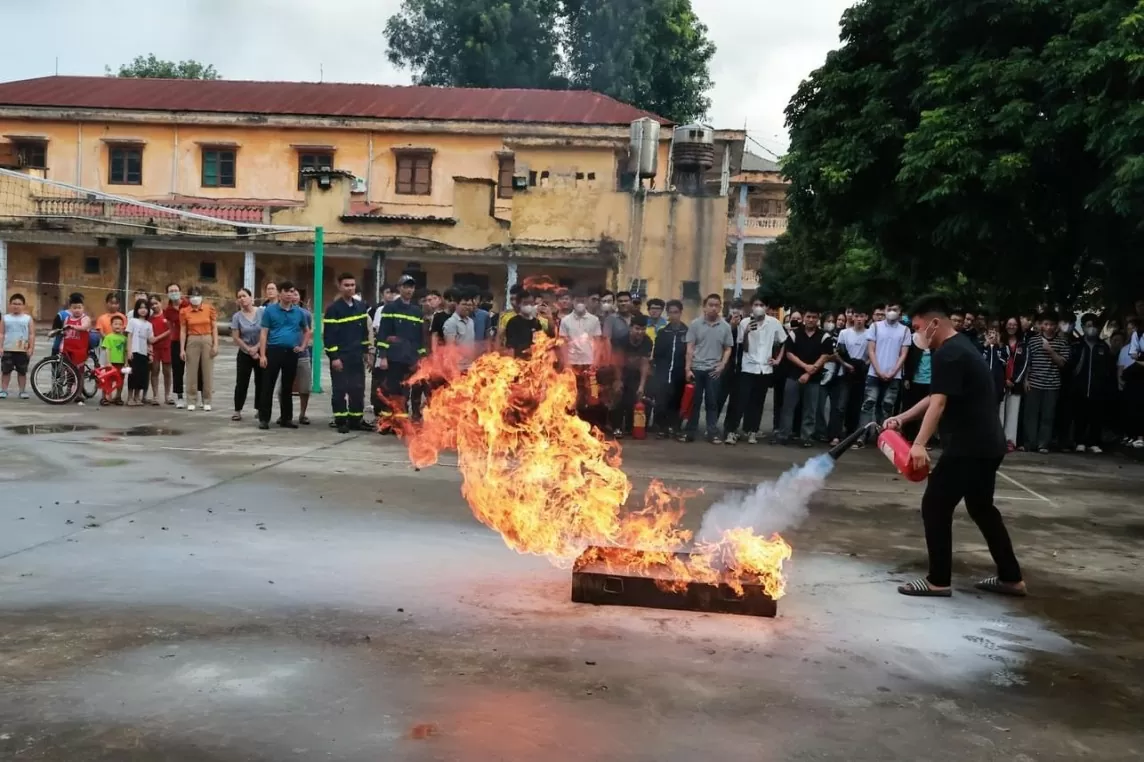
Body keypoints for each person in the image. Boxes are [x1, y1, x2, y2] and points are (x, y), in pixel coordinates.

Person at [885, 295, 1024, 599]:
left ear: (935, 323)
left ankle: (938, 580)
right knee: (982, 508)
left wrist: (919, 444)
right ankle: (1011, 578)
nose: (917, 334)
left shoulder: (948, 354)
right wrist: (902, 418)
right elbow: (937, 394)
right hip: (989, 445)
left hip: (968, 447)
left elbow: (939, 402)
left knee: (935, 505)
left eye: (919, 326)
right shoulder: (961, 349)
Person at [732, 294, 786, 444]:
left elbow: (784, 342)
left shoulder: (774, 323)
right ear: (751, 306)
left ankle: (752, 431)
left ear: (767, 307)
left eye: (762, 305)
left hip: (765, 369)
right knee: (741, 400)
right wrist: (747, 332)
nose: (758, 308)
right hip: (748, 367)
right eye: (755, 305)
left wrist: (778, 359)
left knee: (758, 402)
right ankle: (733, 430)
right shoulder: (744, 323)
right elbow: (745, 348)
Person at [681, 294, 733, 444]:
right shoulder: (695, 324)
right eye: (710, 304)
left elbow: (728, 348)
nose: (713, 308)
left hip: (713, 370)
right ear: (704, 307)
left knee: (712, 402)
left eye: (717, 305)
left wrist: (722, 365)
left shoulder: (725, 327)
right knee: (694, 402)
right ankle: (690, 431)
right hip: (696, 369)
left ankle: (712, 433)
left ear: (720, 308)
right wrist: (687, 369)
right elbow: (689, 347)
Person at [775, 309, 832, 447]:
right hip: (793, 377)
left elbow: (825, 356)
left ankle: (806, 437)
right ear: (804, 318)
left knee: (810, 410)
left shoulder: (824, 336)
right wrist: (805, 366)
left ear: (818, 319)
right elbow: (789, 354)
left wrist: (809, 371)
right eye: (808, 316)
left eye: (814, 317)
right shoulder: (795, 334)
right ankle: (784, 435)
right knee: (788, 408)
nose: (811, 319)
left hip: (814, 379)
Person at [257, 281, 309, 430]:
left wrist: (303, 346)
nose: (289, 294)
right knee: (268, 385)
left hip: (291, 352)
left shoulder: (299, 312)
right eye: (286, 291)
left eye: (292, 291)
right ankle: (264, 418)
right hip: (273, 351)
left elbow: (307, 331)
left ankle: (286, 418)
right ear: (280, 293)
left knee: (288, 387)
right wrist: (262, 355)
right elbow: (264, 333)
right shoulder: (270, 311)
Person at [374, 274, 424, 430]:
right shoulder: (390, 308)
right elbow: (383, 334)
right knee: (390, 390)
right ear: (399, 288)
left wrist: (420, 358)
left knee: (404, 391)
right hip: (393, 358)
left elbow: (419, 338)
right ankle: (386, 423)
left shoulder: (417, 311)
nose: (409, 290)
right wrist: (382, 356)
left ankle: (400, 423)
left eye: (411, 287)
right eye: (405, 286)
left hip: (409, 359)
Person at [324, 273, 371, 434]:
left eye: (352, 285)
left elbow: (364, 332)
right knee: (340, 389)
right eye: (346, 285)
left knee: (357, 389)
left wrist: (366, 352)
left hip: (356, 355)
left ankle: (355, 420)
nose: (350, 288)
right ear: (339, 286)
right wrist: (334, 358)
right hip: (341, 357)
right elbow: (329, 336)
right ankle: (341, 421)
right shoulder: (333, 309)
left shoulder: (360, 306)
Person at [860, 302, 911, 437]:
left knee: (887, 407)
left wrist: (893, 371)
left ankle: (883, 437)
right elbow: (871, 350)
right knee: (868, 405)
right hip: (874, 374)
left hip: (894, 376)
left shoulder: (905, 330)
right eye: (889, 309)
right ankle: (862, 436)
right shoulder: (875, 327)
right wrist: (878, 370)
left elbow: (903, 354)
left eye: (895, 309)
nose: (891, 312)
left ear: (900, 312)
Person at [1022, 311, 1070, 453]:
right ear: (1041, 325)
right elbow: (1027, 362)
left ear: (1056, 326)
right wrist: (1025, 379)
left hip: (1052, 384)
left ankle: (1043, 444)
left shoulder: (1062, 342)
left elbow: (1063, 363)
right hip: (1034, 382)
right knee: (1031, 415)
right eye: (1046, 324)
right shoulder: (1033, 341)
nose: (1049, 327)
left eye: (1052, 325)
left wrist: (1050, 351)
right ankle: (1030, 443)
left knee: (1048, 416)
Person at [1067, 313, 1116, 454]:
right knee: (1080, 415)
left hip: (1098, 388)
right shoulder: (1077, 345)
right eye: (1089, 326)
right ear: (1082, 327)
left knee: (1096, 416)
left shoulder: (1103, 347)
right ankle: (1079, 441)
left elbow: (1109, 368)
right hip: (1079, 388)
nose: (1092, 329)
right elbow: (1071, 366)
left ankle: (1094, 442)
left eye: (1094, 326)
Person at [560, 290, 604, 427]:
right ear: (573, 302)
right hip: (572, 364)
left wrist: (596, 361)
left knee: (593, 395)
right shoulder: (565, 321)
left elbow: (598, 342)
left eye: (582, 301)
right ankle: (571, 426)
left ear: (586, 302)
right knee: (572, 395)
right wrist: (566, 363)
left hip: (590, 364)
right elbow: (563, 343)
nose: (580, 304)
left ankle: (592, 425)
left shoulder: (594, 320)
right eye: (577, 301)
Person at [650, 299, 688, 439]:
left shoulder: (687, 331)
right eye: (670, 312)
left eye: (676, 312)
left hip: (680, 374)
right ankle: (662, 428)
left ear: (680, 313)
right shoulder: (663, 332)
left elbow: (690, 352)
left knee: (677, 401)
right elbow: (657, 353)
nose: (673, 315)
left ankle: (675, 427)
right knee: (661, 401)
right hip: (663, 373)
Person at [611, 314, 652, 438]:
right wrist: (618, 380)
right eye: (637, 328)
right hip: (620, 371)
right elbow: (617, 362)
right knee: (618, 396)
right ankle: (616, 427)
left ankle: (630, 427)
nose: (640, 332)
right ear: (631, 328)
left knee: (633, 399)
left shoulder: (647, 341)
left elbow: (645, 364)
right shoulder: (621, 340)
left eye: (643, 329)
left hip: (636, 373)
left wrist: (641, 386)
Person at [179, 287, 218, 412]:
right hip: (192, 339)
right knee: (191, 371)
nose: (195, 297)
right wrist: (182, 349)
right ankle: (191, 399)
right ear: (188, 297)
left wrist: (215, 345)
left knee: (207, 371)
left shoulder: (208, 309)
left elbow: (214, 327)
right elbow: (183, 330)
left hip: (207, 338)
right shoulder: (185, 311)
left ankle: (207, 400)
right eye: (192, 295)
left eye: (197, 295)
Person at [230, 288, 263, 422]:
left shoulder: (262, 312)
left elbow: (266, 332)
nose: (242, 299)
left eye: (244, 296)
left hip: (261, 350)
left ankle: (260, 409)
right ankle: (237, 410)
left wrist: (257, 348)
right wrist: (249, 350)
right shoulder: (237, 317)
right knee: (241, 382)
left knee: (261, 381)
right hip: (244, 352)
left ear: (251, 297)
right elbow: (236, 337)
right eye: (239, 297)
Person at [836, 308, 870, 438]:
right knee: (841, 405)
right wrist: (846, 364)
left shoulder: (870, 334)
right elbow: (839, 352)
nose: (859, 319)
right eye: (857, 316)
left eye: (862, 316)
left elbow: (872, 353)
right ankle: (837, 433)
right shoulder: (844, 333)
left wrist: (864, 365)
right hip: (845, 372)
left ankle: (853, 433)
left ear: (866, 317)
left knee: (857, 405)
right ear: (852, 317)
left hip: (861, 373)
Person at [999, 317, 1028, 451]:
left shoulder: (1023, 344)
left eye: (1014, 324)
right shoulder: (1000, 342)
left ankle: (1010, 440)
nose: (1011, 326)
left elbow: (1024, 364)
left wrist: (1015, 380)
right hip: (1000, 382)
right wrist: (1004, 379)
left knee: (1013, 413)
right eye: (1009, 324)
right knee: (1000, 411)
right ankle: (998, 439)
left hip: (1016, 384)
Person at [1, 293, 34, 400]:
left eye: (19, 304)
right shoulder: (5, 318)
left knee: (22, 371)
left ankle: (22, 391)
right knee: (6, 371)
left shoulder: (27, 319)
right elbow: (1, 333)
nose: (16, 306)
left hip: (22, 350)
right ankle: (4, 390)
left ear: (23, 305)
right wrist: (1, 347)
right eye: (14, 303)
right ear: (10, 305)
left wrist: (30, 348)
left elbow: (31, 334)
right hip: (8, 348)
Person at [163, 284, 190, 407]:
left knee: (195, 368)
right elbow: (169, 325)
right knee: (177, 370)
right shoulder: (167, 310)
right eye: (171, 291)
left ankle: (198, 395)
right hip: (176, 341)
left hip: (191, 339)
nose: (173, 292)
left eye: (175, 290)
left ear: (180, 291)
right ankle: (179, 396)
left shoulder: (188, 304)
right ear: (167, 294)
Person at [125, 299, 154, 406]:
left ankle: (137, 397)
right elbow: (129, 336)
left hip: (144, 353)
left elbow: (150, 340)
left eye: (145, 308)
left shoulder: (149, 325)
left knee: (141, 376)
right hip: (135, 351)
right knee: (133, 375)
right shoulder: (132, 321)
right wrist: (129, 351)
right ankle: (129, 398)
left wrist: (150, 353)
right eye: (141, 307)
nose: (143, 310)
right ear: (137, 309)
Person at [443, 287, 478, 371]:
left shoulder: (471, 322)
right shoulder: (451, 323)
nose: (467, 307)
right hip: (457, 368)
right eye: (464, 304)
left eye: (469, 305)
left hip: (470, 366)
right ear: (457, 304)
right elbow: (450, 348)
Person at [503, 290, 543, 358]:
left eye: (531, 303)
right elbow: (510, 346)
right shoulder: (513, 322)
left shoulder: (536, 322)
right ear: (519, 304)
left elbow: (540, 341)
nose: (529, 306)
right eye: (525, 303)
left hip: (535, 361)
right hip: (518, 360)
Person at [100, 315, 128, 406]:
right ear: (111, 325)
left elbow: (126, 351)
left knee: (120, 380)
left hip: (121, 363)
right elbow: (107, 350)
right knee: (108, 380)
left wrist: (126, 362)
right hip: (111, 363)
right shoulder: (108, 337)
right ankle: (106, 397)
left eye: (120, 324)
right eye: (115, 324)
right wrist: (108, 362)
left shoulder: (124, 339)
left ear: (123, 326)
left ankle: (118, 397)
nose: (118, 326)